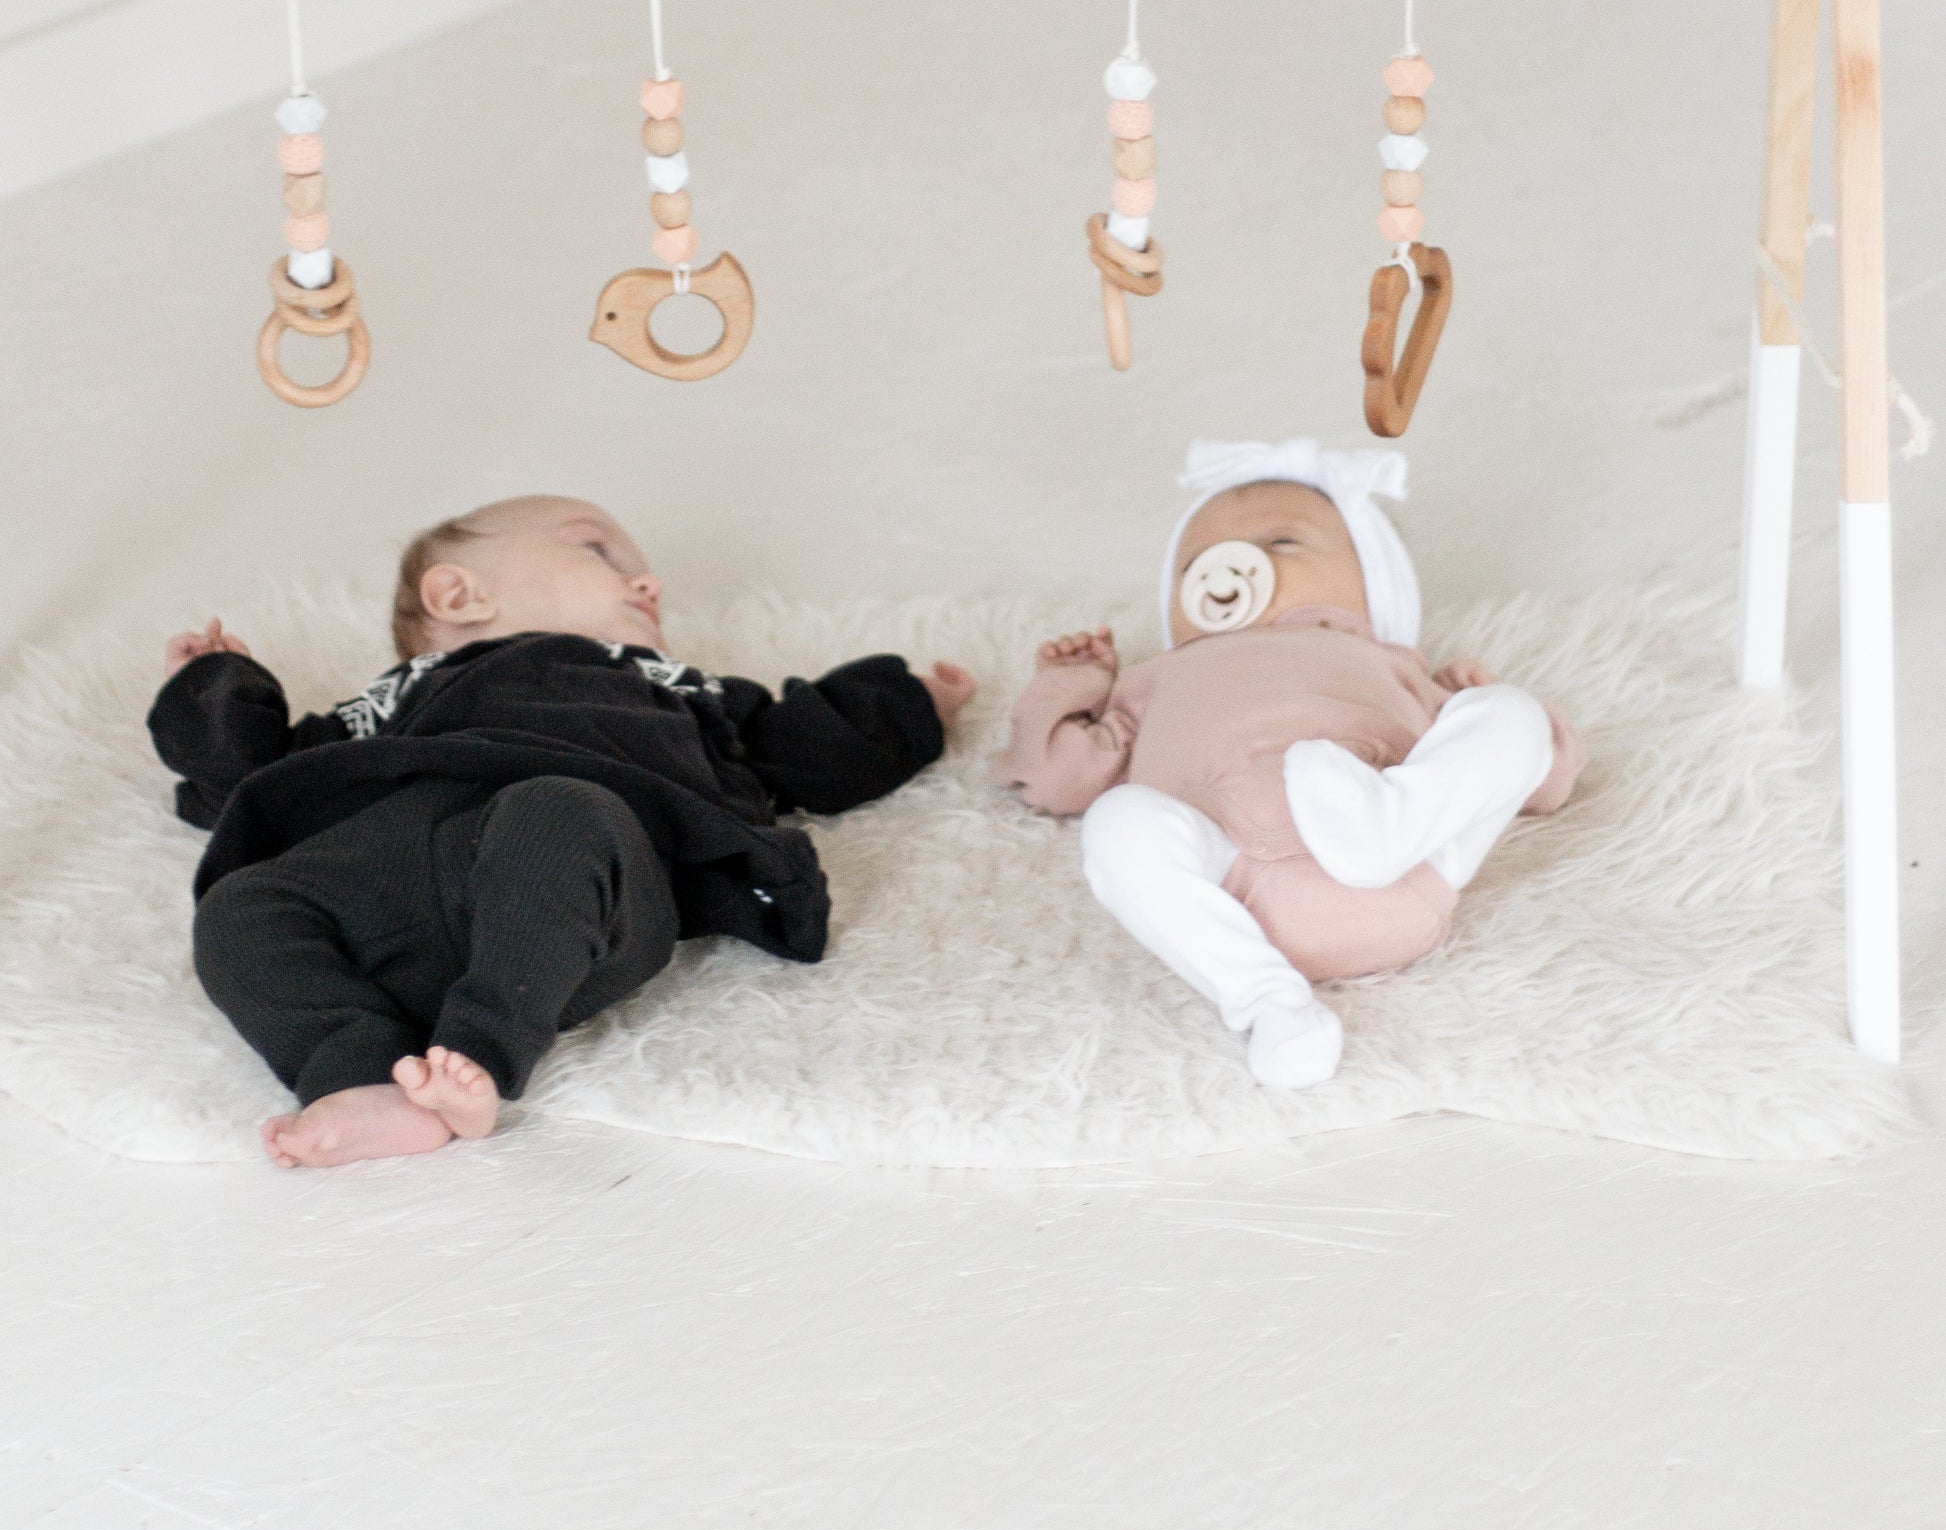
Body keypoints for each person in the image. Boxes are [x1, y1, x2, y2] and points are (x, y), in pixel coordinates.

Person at [153, 494, 972, 1167]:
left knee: (557, 810)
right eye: (598, 549)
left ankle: (478, 1052)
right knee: (240, 903)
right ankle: (358, 1073)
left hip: (583, 892)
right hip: (391, 877)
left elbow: (811, 749)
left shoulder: (680, 692)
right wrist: (212, 690)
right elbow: (250, 777)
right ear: (460, 596)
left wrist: (906, 708)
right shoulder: (397, 695)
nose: (648, 580)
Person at [995, 438, 1581, 1090]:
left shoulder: (1393, 664)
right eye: (1193, 561)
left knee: (1511, 712)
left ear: (1372, 583)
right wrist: (1071, 687)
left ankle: (1386, 828)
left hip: (1408, 868)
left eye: (1281, 542)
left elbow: (1541, 778)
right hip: (1235, 889)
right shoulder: (1154, 680)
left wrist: (1475, 706)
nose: (1231, 562)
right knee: (1117, 821)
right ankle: (1268, 1002)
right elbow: (1056, 778)